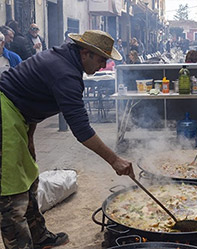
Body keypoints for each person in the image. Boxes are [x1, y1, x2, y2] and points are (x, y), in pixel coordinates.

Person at [0, 29, 135, 249]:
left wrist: (30, 137)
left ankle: (39, 238)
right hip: (4, 113)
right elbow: (81, 130)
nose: (103, 65)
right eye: (102, 59)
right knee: (11, 192)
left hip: (18, 115)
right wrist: (114, 160)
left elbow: (31, 95)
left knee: (30, 177)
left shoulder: (65, 60)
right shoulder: (65, 73)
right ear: (85, 53)